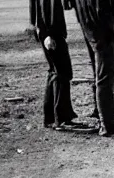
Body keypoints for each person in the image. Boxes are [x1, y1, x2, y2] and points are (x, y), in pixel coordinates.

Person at [29, 0, 89, 131]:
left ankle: (51, 118)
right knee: (62, 73)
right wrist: (48, 34)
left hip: (47, 33)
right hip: (52, 34)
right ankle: (61, 119)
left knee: (55, 72)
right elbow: (45, 8)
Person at [71, 0, 114, 136]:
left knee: (101, 75)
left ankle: (104, 118)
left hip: (90, 30)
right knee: (107, 77)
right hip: (103, 33)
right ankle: (108, 125)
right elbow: (104, 10)